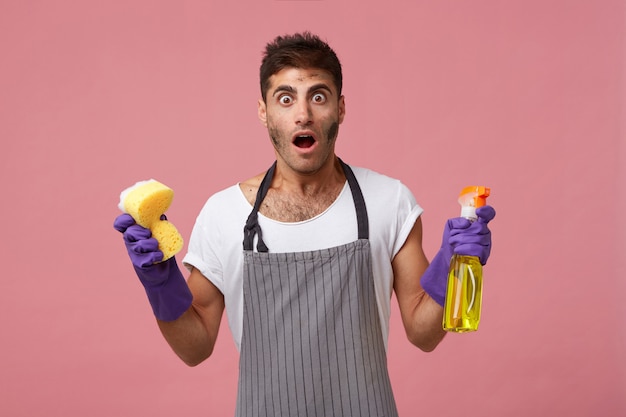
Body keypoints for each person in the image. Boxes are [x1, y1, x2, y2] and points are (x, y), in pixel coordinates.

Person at [114, 32, 495, 417]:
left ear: (340, 108)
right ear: (264, 111)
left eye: (318, 96)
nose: (303, 114)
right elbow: (194, 349)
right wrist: (162, 283)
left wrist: (452, 265)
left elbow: (424, 335)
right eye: (285, 98)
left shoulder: (389, 201)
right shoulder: (222, 214)